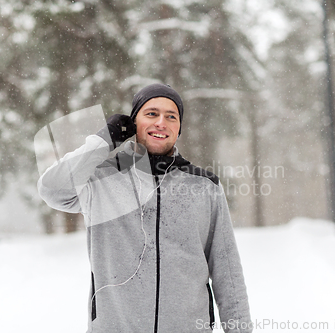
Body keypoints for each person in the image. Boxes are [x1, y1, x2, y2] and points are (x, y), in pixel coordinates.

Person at [38, 83, 252, 332]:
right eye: (151, 114)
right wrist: (103, 140)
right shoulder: (99, 179)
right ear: (133, 123)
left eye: (171, 116)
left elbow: (228, 274)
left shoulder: (204, 187)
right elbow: (52, 190)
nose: (161, 122)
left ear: (178, 128)